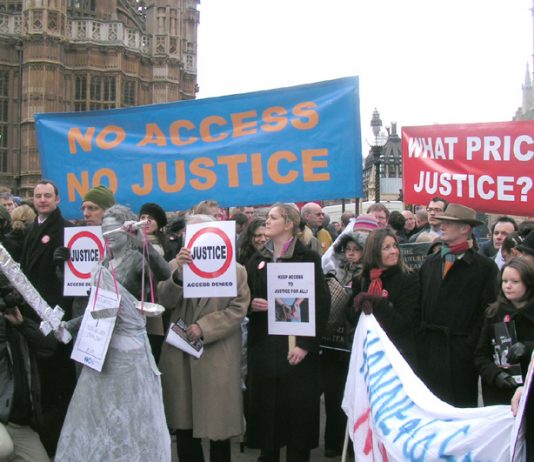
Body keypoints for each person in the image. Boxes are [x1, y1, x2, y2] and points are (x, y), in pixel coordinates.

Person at [55, 205, 171, 461]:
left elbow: (165, 273)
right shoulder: (104, 263)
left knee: (132, 412)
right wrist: (69, 326)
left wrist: (142, 243)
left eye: (113, 230)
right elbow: (96, 309)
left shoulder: (137, 259)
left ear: (126, 230)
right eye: (103, 230)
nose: (107, 234)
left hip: (130, 352)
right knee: (101, 413)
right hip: (102, 351)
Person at [158, 214, 251, 462]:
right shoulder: (174, 266)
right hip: (181, 356)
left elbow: (238, 308)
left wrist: (205, 326)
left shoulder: (236, 270)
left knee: (218, 427)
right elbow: (164, 300)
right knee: (185, 426)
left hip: (217, 355)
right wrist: (178, 275)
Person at [246, 203, 330, 462]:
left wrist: (306, 344)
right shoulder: (257, 259)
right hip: (265, 350)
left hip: (296, 353)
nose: (267, 221)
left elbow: (321, 303)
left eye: (273, 217)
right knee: (268, 418)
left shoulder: (308, 258)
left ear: (289, 223)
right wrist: (251, 305)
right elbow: (244, 297)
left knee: (298, 419)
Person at [416, 203, 498, 407]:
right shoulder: (431, 262)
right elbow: (419, 303)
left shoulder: (485, 268)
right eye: (442, 222)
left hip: (460, 355)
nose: (442, 226)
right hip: (430, 351)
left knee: (459, 410)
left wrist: (470, 346)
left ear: (465, 228)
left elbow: (487, 313)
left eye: (449, 223)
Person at [18, 180, 74, 455]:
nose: (42, 200)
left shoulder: (66, 231)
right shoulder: (31, 230)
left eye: (47, 196)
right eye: (38, 196)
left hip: (53, 317)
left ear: (57, 199)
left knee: (56, 384)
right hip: (31, 317)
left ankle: (57, 444)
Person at [320, 231, 367, 458]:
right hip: (333, 344)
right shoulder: (333, 271)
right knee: (334, 394)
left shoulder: (367, 274)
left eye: (357, 249)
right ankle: (333, 441)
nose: (352, 254)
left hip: (354, 343)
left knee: (354, 396)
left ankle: (353, 442)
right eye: (348, 250)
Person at [350, 228, 419, 367]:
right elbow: (352, 319)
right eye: (386, 248)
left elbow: (403, 323)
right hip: (369, 354)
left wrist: (378, 302)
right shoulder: (362, 279)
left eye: (394, 246)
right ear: (374, 252)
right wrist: (357, 308)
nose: (394, 251)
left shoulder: (409, 279)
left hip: (398, 356)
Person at [0, 294, 56, 462]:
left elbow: (48, 347)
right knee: (4, 449)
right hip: (1, 420)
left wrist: (23, 323)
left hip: (19, 423)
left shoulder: (17, 329)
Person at [475, 258, 534, 405]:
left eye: (515, 282)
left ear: (528, 283)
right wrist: (496, 375)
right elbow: (481, 355)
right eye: (504, 281)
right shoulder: (494, 313)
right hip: (500, 394)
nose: (508, 286)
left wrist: (528, 348)